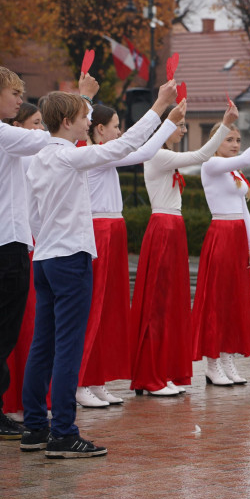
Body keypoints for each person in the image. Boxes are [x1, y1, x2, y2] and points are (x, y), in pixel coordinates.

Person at [21, 81, 178, 458]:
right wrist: (158, 107)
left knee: (43, 345)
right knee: (68, 348)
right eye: (82, 117)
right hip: (69, 258)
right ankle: (62, 432)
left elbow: (33, 215)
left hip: (44, 258)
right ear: (66, 121)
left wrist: (46, 244)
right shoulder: (67, 156)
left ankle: (34, 428)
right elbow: (124, 146)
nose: (87, 122)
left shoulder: (41, 156)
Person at [0, 66, 97, 441]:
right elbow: (54, 139)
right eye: (14, 94)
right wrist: (82, 100)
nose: (20, 101)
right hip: (3, 244)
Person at [76, 102, 183, 408]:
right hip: (99, 231)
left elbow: (141, 150)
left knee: (110, 310)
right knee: (93, 308)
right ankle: (81, 380)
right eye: (116, 126)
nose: (120, 131)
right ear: (99, 129)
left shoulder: (104, 155)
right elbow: (141, 147)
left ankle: (97, 380)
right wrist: (165, 115)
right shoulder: (92, 154)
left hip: (114, 231)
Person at [129, 101, 238, 396]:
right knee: (158, 304)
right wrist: (225, 123)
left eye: (185, 125)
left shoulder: (167, 156)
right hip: (164, 227)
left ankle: (164, 371)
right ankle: (151, 377)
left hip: (173, 227)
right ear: (165, 128)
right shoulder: (159, 155)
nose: (184, 129)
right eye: (180, 125)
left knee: (172, 303)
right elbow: (203, 154)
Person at [192, 118, 250, 385]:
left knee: (235, 300)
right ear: (217, 142)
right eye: (229, 140)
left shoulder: (235, 173)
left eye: (237, 140)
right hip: (220, 235)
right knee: (217, 300)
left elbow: (244, 210)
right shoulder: (211, 164)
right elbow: (246, 159)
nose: (234, 144)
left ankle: (228, 356)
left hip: (238, 237)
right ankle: (213, 362)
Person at [2, 104, 47, 422]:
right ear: (18, 126)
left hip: (37, 244)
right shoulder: (19, 156)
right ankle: (12, 401)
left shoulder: (36, 155)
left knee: (32, 328)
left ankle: (27, 401)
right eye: (36, 124)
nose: (42, 130)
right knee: (18, 327)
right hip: (21, 245)